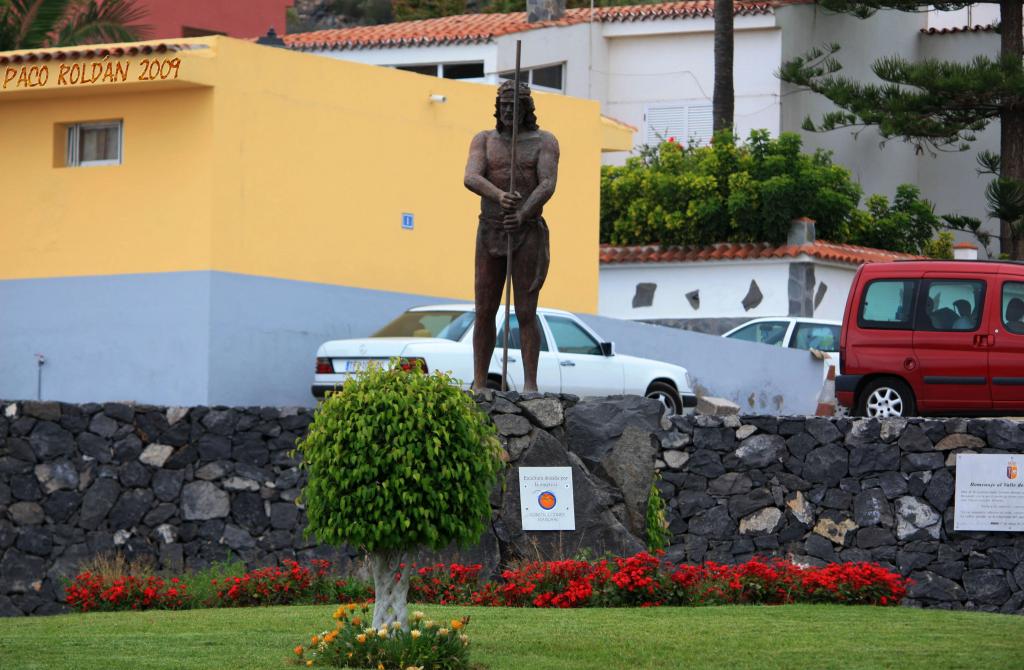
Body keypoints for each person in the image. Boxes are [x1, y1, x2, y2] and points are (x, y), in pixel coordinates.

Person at [463, 80, 560, 393]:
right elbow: (471, 176)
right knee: (485, 309)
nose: (507, 111)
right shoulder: (484, 140)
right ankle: (480, 382)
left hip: (526, 231)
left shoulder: (544, 141)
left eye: (514, 106)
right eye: (503, 105)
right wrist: (498, 194)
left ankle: (530, 384)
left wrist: (522, 213)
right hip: (490, 229)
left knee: (526, 311)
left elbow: (547, 184)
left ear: (526, 109)